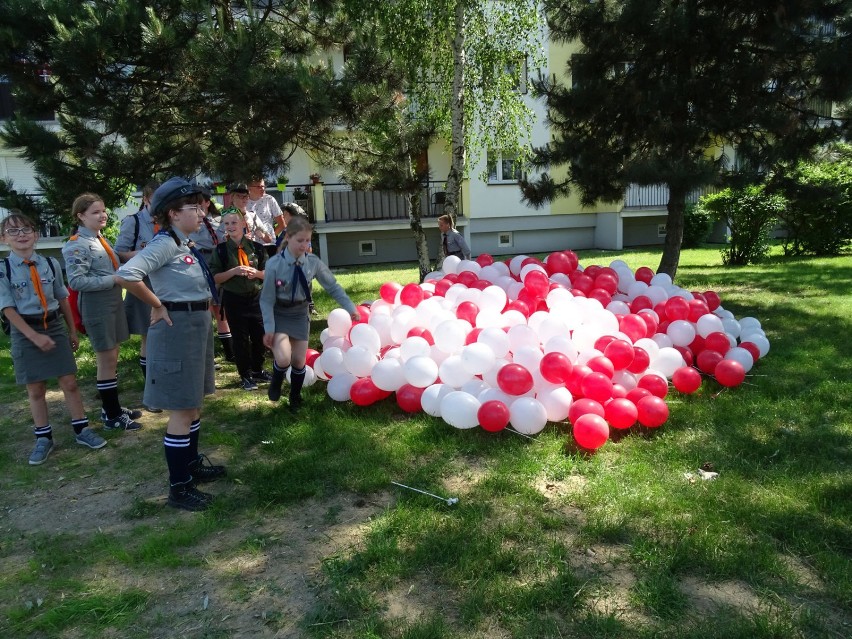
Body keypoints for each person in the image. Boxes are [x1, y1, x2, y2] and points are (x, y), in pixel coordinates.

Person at [115, 177, 225, 511]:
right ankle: (179, 487)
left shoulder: (184, 243)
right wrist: (157, 304)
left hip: (194, 325)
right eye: (193, 206)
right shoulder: (164, 243)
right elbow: (126, 275)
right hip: (176, 327)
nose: (200, 210)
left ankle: (190, 468)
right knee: (181, 408)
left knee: (191, 404)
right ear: (174, 214)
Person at [0, 213, 106, 465]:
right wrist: (33, 336)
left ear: (36, 234)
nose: (21, 235)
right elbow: (7, 309)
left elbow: (62, 298)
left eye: (26, 229)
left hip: (54, 326)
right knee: (36, 388)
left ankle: (82, 430)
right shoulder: (2, 269)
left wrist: (70, 329)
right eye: (13, 232)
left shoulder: (50, 263)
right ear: (4, 239)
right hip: (25, 331)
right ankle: (43, 438)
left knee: (69, 382)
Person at [62, 193, 143, 432]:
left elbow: (112, 266)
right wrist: (114, 279)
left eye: (103, 210)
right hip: (97, 306)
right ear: (80, 216)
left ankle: (111, 407)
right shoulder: (77, 244)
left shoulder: (100, 239)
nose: (103, 215)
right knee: (106, 359)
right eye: (95, 212)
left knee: (113, 356)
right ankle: (112, 416)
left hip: (113, 301)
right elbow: (76, 282)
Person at [261, 216, 359, 410]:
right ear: (287, 238)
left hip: (299, 313)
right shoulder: (274, 264)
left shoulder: (312, 262)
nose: (305, 245)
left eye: (308, 240)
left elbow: (333, 287)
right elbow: (266, 299)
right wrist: (269, 327)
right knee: (283, 358)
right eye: (300, 240)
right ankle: (277, 380)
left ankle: (295, 397)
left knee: (299, 360)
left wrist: (350, 307)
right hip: (279, 312)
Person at [114, 180, 162, 412]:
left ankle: (163, 384)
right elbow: (119, 255)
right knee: (149, 337)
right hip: (144, 285)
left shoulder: (166, 220)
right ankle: (151, 390)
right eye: (156, 202)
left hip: (166, 285)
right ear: (145, 199)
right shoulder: (132, 222)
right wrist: (146, 254)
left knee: (163, 337)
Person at [209, 209, 269, 391]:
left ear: (244, 224)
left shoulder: (257, 248)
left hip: (255, 297)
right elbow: (215, 277)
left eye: (234, 223)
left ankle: (258, 369)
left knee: (260, 336)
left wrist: (256, 273)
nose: (230, 227)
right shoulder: (221, 251)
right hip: (234, 299)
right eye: (226, 224)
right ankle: (245, 375)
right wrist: (233, 272)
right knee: (240, 338)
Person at [190, 187, 234, 363]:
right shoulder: (192, 223)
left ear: (207, 203)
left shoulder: (219, 221)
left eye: (199, 204)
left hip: (217, 262)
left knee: (220, 308)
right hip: (199, 260)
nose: (197, 210)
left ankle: (230, 352)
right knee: (205, 307)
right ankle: (207, 355)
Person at [246, 177, 284, 257]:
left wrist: (270, 236)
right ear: (249, 188)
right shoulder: (244, 201)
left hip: (268, 246)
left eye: (263, 186)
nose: (262, 189)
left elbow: (282, 224)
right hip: (250, 246)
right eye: (259, 187)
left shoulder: (269, 199)